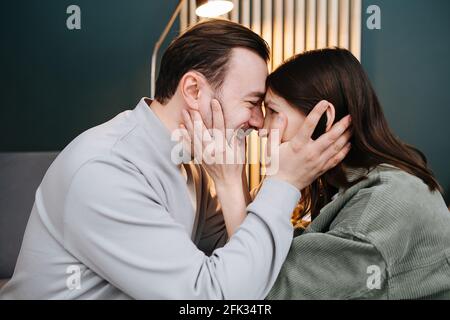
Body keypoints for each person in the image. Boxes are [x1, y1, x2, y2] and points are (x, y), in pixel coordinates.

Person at [0, 20, 351, 299]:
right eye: (251, 102)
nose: (258, 122)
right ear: (194, 90)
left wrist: (231, 182)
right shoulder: (107, 170)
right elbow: (217, 299)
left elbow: (244, 264)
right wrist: (284, 182)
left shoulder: (191, 162)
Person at [256, 48, 449, 299]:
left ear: (323, 119)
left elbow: (263, 290)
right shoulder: (350, 186)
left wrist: (245, 182)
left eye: (272, 112)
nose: (261, 128)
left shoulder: (382, 203)